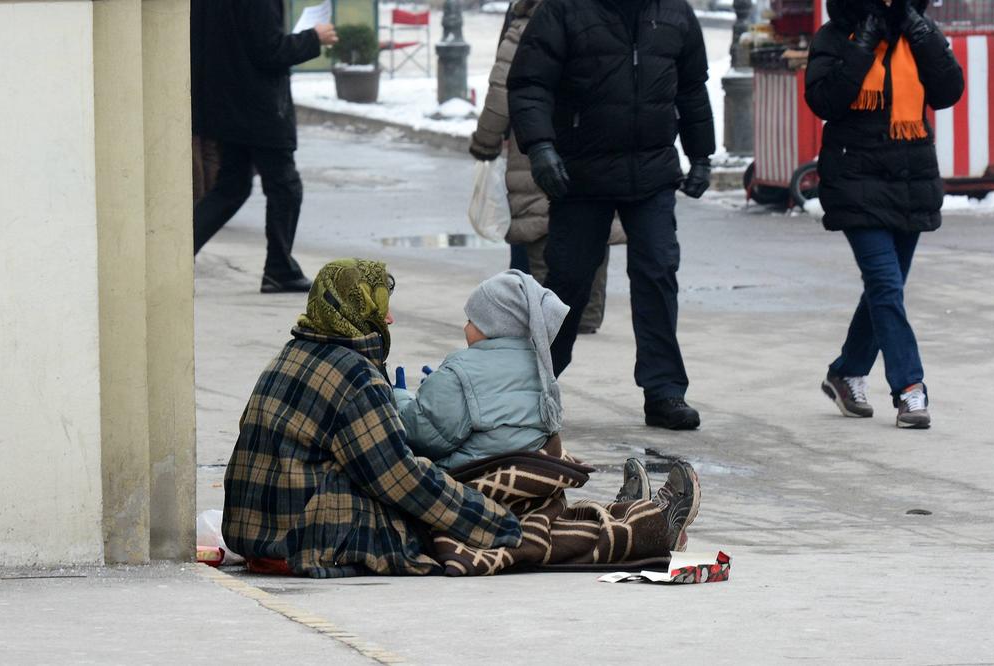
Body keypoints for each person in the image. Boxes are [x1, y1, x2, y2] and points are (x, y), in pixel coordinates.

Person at [222, 259, 522, 577]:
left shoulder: (289, 354)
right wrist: (493, 521)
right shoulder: (355, 375)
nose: (389, 318)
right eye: (381, 306)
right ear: (359, 309)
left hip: (251, 533)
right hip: (301, 541)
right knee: (415, 523)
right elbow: (398, 477)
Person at [507, 0, 715, 430]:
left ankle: (664, 391)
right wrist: (540, 146)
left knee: (658, 272)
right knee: (568, 282)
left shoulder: (675, 12)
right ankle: (534, 386)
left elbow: (692, 88)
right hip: (582, 174)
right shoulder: (564, 10)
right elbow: (530, 84)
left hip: (653, 172)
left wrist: (701, 155)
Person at [806, 0, 964, 428]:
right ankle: (910, 388)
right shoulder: (836, 34)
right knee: (885, 285)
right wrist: (864, 43)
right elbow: (824, 100)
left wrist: (920, 32)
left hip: (910, 180)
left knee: (884, 290)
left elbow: (948, 91)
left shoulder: (918, 30)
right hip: (855, 180)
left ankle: (846, 371)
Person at [469, 0, 625, 335]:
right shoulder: (610, 19)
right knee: (594, 227)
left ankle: (550, 318)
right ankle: (586, 313)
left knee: (539, 225)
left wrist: (485, 142)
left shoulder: (527, 23)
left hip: (533, 146)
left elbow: (502, 91)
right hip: (598, 146)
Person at [190, 1, 339, 293]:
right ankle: (280, 269)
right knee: (285, 186)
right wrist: (314, 37)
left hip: (225, 102)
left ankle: (174, 251)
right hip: (259, 108)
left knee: (231, 187)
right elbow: (269, 50)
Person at [395, 270, 569, 470]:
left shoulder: (462, 371)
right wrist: (437, 390)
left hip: (472, 471)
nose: (465, 328)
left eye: (471, 321)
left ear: (491, 325)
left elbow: (421, 437)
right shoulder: (540, 366)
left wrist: (401, 397)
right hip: (524, 468)